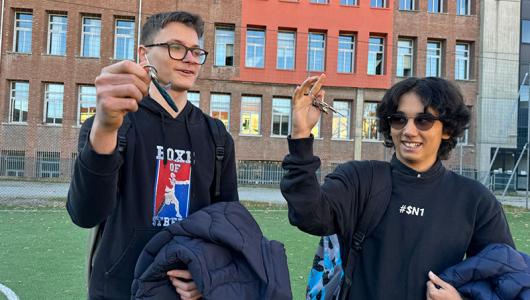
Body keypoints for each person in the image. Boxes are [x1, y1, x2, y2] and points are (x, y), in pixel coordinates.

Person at [280, 75, 515, 300]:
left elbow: (505, 279)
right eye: (399, 119)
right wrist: (301, 134)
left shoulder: (475, 200)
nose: (408, 130)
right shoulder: (360, 179)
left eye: (423, 120)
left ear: (447, 130)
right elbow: (309, 215)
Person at [67, 11, 238, 300]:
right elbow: (85, 214)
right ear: (143, 54)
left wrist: (208, 273)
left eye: (196, 51)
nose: (190, 58)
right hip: (119, 291)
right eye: (176, 47)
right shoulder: (113, 124)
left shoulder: (216, 135)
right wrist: (105, 128)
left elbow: (228, 225)